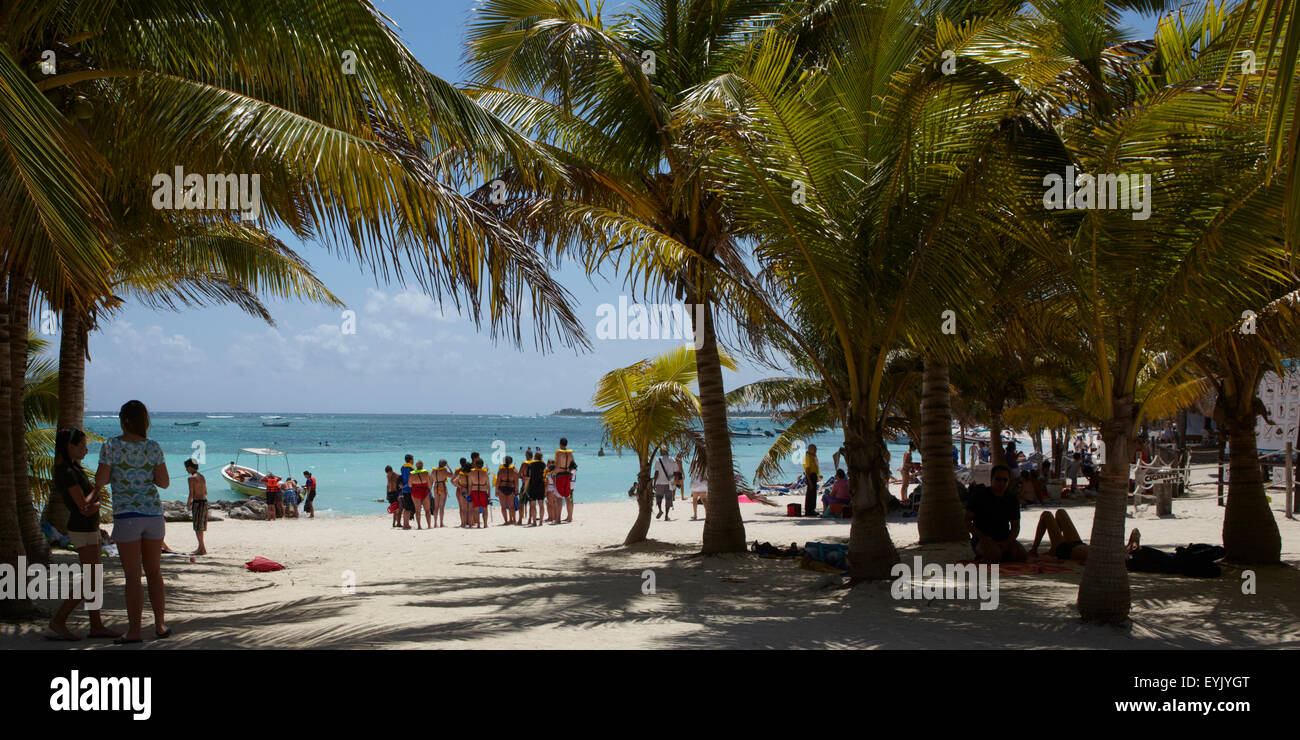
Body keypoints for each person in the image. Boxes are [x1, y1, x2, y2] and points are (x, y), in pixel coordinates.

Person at [95, 400, 171, 643]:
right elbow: (164, 482)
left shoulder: (111, 445)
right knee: (154, 572)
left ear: (124, 419)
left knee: (132, 576)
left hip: (127, 516)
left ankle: (135, 631)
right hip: (153, 514)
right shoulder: (153, 447)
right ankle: (160, 625)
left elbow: (102, 479)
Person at [48, 428, 119, 641]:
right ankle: (59, 620)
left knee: (93, 578)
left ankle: (96, 625)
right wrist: (97, 489)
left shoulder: (71, 468)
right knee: (91, 579)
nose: (86, 450)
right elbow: (83, 506)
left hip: (88, 528)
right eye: (82, 445)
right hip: (81, 528)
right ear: (70, 446)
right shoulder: (67, 472)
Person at [964, 463, 1026, 564]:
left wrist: (1008, 542)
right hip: (982, 539)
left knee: (1022, 556)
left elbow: (1015, 526)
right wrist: (983, 537)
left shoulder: (1011, 499)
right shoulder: (979, 496)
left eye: (1005, 480)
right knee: (994, 555)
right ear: (991, 479)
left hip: (1004, 538)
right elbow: (967, 521)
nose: (1001, 483)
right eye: (998, 479)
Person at [1030, 509, 1142, 564]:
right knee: (1093, 551)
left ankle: (1037, 550)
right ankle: (1124, 550)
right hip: (1071, 549)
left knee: (1056, 513)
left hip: (1069, 549)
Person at [184, 459, 208, 555]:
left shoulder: (191, 479)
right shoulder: (202, 476)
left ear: (190, 467)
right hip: (204, 502)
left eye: (186, 468)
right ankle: (200, 548)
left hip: (197, 503)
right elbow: (205, 492)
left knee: (197, 527)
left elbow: (191, 494)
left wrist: (188, 505)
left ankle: (202, 549)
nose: (186, 470)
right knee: (200, 526)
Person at [652, 447, 678, 521]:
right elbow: (676, 472)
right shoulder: (672, 460)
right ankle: (666, 516)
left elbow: (656, 473)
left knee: (659, 497)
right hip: (670, 481)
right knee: (669, 499)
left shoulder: (658, 460)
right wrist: (674, 482)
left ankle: (660, 510)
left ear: (661, 452)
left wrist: (654, 483)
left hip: (660, 482)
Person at [524, 451, 547, 525]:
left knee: (533, 505)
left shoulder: (530, 465)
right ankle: (540, 522)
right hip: (541, 485)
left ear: (535, 457)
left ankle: (534, 522)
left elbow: (528, 478)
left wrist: (525, 488)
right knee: (541, 504)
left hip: (533, 485)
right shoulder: (543, 464)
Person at [468, 458, 491, 527]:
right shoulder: (485, 473)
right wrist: (489, 494)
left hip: (474, 491)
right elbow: (488, 485)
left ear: (475, 465)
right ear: (482, 465)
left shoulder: (471, 473)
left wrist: (469, 494)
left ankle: (478, 524)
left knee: (476, 509)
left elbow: (470, 485)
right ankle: (485, 524)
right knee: (485, 509)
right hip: (483, 491)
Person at [496, 457, 518, 525]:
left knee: (503, 507)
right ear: (511, 462)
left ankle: (506, 521)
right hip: (510, 488)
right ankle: (513, 520)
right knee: (511, 506)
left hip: (502, 488)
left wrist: (496, 490)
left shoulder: (501, 470)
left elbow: (498, 481)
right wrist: (516, 490)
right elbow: (516, 482)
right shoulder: (514, 471)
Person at [409, 460, 432, 530]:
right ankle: (429, 526)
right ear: (422, 466)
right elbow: (429, 484)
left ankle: (419, 526)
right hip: (424, 492)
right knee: (427, 510)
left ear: (416, 466)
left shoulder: (412, 474)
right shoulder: (426, 473)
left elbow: (409, 485)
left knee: (417, 510)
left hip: (415, 492)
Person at [554, 438, 575, 503]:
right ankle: (569, 513)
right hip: (568, 476)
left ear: (560, 444)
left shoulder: (559, 453)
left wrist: (553, 473)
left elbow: (558, 466)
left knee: (559, 498)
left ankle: (558, 513)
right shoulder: (570, 454)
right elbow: (573, 466)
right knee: (567, 496)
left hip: (560, 476)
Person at [431, 460, 451, 528]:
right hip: (442, 486)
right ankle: (441, 523)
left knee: (436, 507)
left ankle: (435, 523)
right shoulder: (444, 471)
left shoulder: (433, 471)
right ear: (444, 465)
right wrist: (449, 467)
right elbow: (452, 475)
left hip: (435, 487)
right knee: (441, 507)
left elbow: (431, 480)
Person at [803, 443, 820, 517]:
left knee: (813, 494)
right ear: (810, 449)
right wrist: (809, 481)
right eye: (814, 449)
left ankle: (812, 510)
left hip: (814, 476)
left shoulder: (812, 456)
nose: (816, 450)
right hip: (810, 476)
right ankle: (809, 511)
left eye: (816, 449)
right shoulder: (808, 457)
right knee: (810, 494)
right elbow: (807, 470)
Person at [399, 454, 415, 529]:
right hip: (409, 488)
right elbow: (411, 478)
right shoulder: (411, 468)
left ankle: (405, 523)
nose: (413, 461)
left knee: (406, 508)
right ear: (411, 460)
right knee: (408, 508)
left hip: (404, 488)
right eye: (413, 459)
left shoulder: (403, 467)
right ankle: (406, 524)